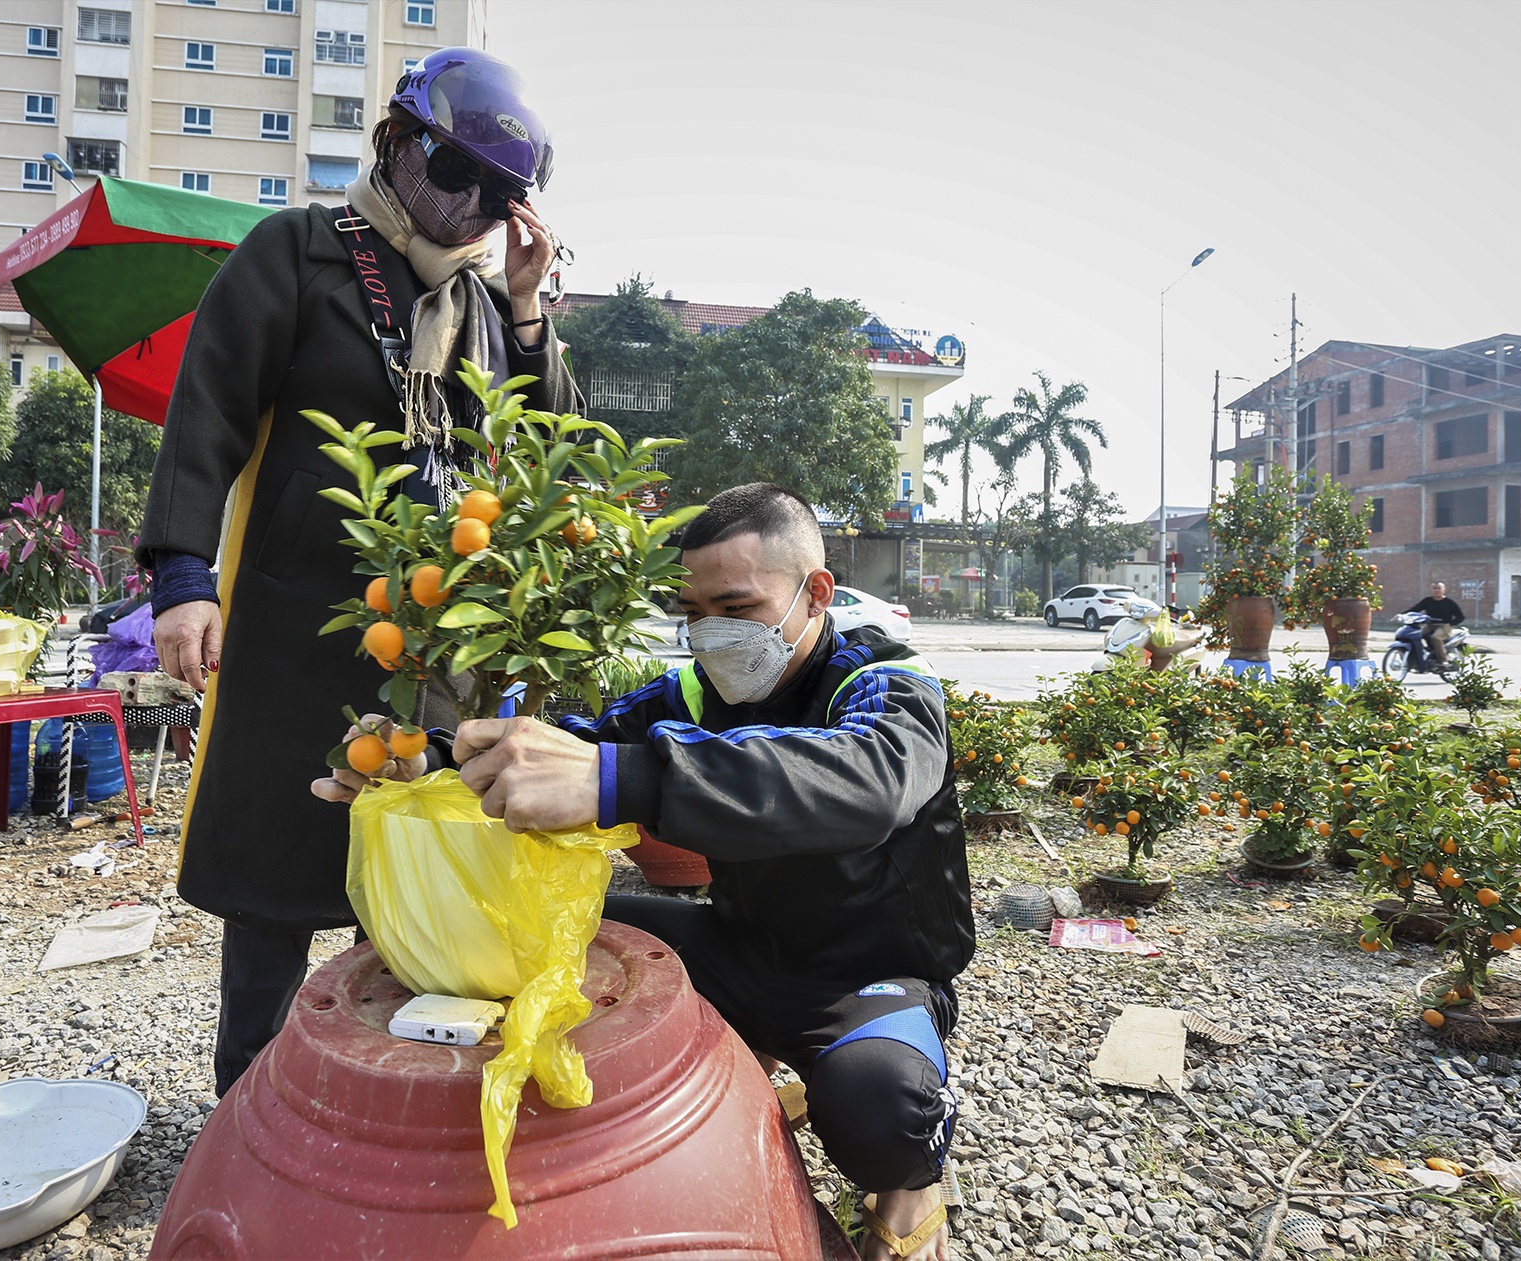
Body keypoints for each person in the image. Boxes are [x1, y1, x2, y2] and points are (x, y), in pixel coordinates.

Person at [320, 484, 971, 1261]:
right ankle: (743, 1062)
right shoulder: (695, 691)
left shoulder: (884, 683)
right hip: (740, 942)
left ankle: (912, 1180)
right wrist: (423, 760)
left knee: (880, 1109)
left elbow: (867, 782)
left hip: (869, 977)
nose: (710, 634)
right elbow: (568, 746)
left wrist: (627, 780)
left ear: (815, 591)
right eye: (691, 612)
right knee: (539, 934)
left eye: (735, 605)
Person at [138, 46, 579, 1096]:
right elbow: (207, 413)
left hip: (437, 633)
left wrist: (526, 312)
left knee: (419, 870)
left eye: (501, 192)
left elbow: (545, 452)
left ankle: (379, 1089)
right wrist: (182, 579)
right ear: (397, 143)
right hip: (297, 620)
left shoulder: (483, 309)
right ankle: (247, 1094)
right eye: (454, 169)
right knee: (275, 871)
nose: (473, 203)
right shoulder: (295, 252)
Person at [1405, 580, 1464, 669]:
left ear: (1444, 590)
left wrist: (1450, 624)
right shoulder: (1427, 601)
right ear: (1430, 590)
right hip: (1430, 625)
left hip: (1444, 625)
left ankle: (1443, 661)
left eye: (1438, 588)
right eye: (1434, 588)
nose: (1436, 590)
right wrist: (1402, 615)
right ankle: (1419, 656)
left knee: (1436, 638)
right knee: (1414, 635)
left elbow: (1460, 616)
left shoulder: (1449, 603)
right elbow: (1415, 609)